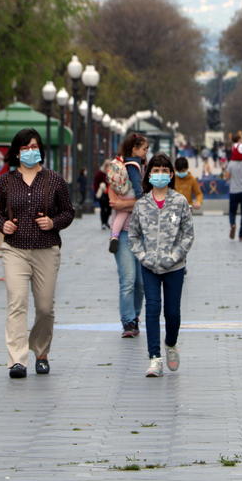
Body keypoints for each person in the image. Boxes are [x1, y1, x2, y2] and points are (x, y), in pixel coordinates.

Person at [0, 128, 74, 378]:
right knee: (17, 303)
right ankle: (17, 360)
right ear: (16, 152)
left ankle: (41, 351)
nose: (30, 152)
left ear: (41, 150)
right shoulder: (6, 181)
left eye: (34, 147)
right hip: (15, 249)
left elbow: (68, 212)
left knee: (45, 307)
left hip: (46, 249)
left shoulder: (54, 180)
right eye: (25, 148)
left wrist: (53, 222)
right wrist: (2, 224)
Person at [128, 153, 195, 377]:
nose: (160, 175)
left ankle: (171, 344)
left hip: (174, 267)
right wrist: (143, 256)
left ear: (171, 174)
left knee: (172, 312)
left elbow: (188, 234)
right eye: (155, 170)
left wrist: (175, 255)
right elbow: (134, 236)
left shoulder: (179, 202)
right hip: (150, 267)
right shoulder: (142, 204)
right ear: (149, 175)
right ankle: (154, 358)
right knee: (153, 308)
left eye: (164, 171)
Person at [109, 133, 148, 337]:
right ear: (133, 148)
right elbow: (113, 200)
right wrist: (133, 203)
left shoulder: (146, 169)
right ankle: (128, 322)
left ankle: (135, 315)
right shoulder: (129, 168)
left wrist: (126, 204)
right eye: (143, 149)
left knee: (141, 284)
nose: (145, 153)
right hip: (125, 235)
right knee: (128, 279)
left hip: (142, 234)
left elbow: (149, 200)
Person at [93, 162, 111, 229]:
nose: (108, 168)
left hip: (110, 194)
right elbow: (95, 183)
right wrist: (97, 192)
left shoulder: (111, 173)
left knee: (109, 209)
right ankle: (103, 223)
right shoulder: (100, 173)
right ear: (105, 166)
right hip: (102, 194)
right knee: (103, 209)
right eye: (107, 166)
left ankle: (106, 221)